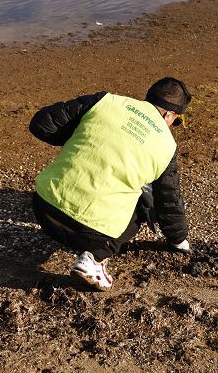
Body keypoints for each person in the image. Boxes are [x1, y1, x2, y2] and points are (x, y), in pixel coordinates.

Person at [29, 77, 192, 291]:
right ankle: (94, 259)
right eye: (176, 122)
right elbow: (168, 201)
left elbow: (41, 123)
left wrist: (82, 139)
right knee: (145, 200)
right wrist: (178, 241)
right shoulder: (167, 146)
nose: (172, 127)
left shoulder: (105, 101)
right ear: (169, 114)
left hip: (43, 210)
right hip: (89, 236)